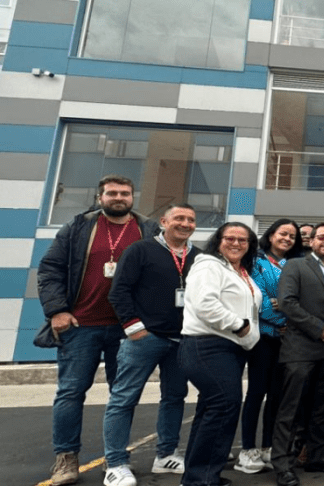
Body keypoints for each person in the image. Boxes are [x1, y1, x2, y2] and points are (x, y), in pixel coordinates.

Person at [38, 175, 160, 486]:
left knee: (123, 395)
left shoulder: (147, 229)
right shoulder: (78, 227)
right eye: (112, 193)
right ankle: (66, 458)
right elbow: (50, 269)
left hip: (127, 328)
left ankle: (115, 458)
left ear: (133, 197)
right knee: (70, 392)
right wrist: (57, 310)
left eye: (125, 193)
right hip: (81, 325)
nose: (119, 197)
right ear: (100, 196)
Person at [102, 204, 199, 486]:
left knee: (174, 397)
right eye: (179, 218)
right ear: (163, 221)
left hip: (182, 339)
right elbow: (119, 290)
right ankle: (116, 463)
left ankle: (166, 455)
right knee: (123, 398)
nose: (185, 223)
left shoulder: (199, 257)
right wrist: (134, 328)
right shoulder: (140, 250)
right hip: (145, 338)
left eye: (191, 220)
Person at [271, 223, 324, 486]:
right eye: (322, 237)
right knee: (291, 410)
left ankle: (318, 457)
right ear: (312, 241)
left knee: (323, 409)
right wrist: (320, 329)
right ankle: (283, 464)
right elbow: (287, 303)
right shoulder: (295, 267)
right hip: (301, 349)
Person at [179, 223, 261, 486]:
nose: (236, 243)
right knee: (225, 406)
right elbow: (204, 304)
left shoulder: (240, 272)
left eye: (243, 240)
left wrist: (247, 336)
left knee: (211, 409)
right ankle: (201, 479)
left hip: (230, 348)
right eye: (230, 238)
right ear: (218, 240)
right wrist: (238, 324)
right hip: (207, 345)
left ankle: (197, 476)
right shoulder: (208, 265)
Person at [238, 219, 303, 474]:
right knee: (256, 393)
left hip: (287, 341)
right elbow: (259, 298)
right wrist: (280, 318)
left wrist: (286, 312)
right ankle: (247, 449)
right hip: (263, 338)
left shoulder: (296, 264)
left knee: (277, 396)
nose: (287, 239)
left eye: (292, 236)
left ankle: (267, 446)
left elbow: (300, 300)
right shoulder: (256, 261)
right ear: (271, 234)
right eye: (282, 234)